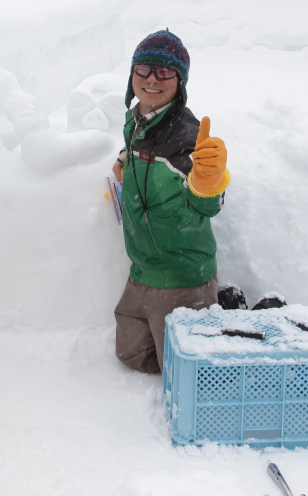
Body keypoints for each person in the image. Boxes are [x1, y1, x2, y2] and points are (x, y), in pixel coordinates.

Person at [111, 30, 230, 374]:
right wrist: (125, 159)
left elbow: (208, 206)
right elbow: (139, 147)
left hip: (182, 276)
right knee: (131, 356)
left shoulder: (187, 137)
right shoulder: (136, 120)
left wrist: (208, 182)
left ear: (180, 82)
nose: (151, 79)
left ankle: (224, 317)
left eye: (164, 72)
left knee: (187, 375)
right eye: (143, 69)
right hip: (142, 269)